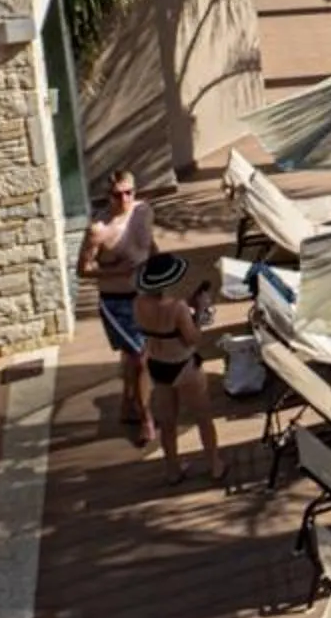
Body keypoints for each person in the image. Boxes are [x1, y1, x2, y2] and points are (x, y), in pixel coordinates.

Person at [77, 166, 156, 447]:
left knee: (137, 358)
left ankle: (127, 401)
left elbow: (150, 247)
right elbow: (83, 270)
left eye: (128, 193)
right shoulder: (99, 229)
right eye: (116, 195)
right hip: (117, 303)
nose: (123, 199)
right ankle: (145, 417)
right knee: (140, 358)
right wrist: (117, 273)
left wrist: (161, 274)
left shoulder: (144, 212)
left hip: (145, 295)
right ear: (107, 196)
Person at [133, 253, 226, 483]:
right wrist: (201, 312)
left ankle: (173, 470)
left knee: (167, 423)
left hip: (158, 365)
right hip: (184, 366)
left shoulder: (138, 304)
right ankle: (215, 465)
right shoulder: (177, 307)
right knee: (203, 417)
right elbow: (193, 338)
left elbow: (160, 323)